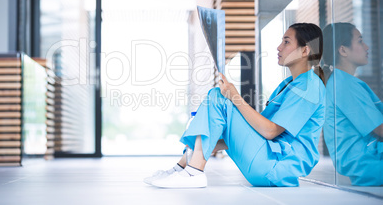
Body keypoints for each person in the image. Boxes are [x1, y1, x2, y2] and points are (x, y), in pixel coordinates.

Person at [144, 23, 326, 188]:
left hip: (276, 167)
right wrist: (211, 141)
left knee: (217, 97)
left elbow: (270, 132)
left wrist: (235, 97)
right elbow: (258, 130)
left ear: (305, 51)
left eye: (286, 42)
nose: (279, 47)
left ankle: (193, 172)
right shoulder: (289, 84)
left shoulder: (310, 86)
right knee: (216, 103)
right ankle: (181, 168)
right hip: (268, 160)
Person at [322, 23, 383, 186]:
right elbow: (380, 129)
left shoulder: (340, 82)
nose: (367, 47)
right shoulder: (344, 84)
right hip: (371, 163)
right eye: (360, 41)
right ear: (343, 50)